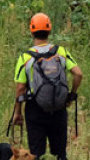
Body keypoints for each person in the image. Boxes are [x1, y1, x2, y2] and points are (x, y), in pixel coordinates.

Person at [12, 13, 83, 160]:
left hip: (35, 111)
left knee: (36, 154)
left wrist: (17, 113)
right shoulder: (61, 52)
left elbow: (20, 89)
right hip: (59, 109)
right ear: (49, 30)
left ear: (31, 32)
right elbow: (78, 74)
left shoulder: (25, 57)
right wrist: (70, 95)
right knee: (60, 154)